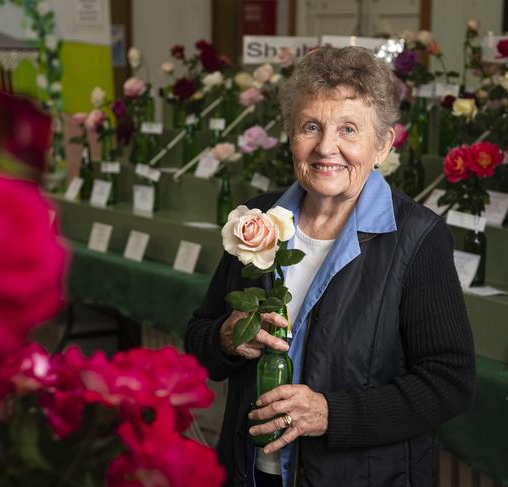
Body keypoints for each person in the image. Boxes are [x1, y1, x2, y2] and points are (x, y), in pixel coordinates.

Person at [184, 45, 475, 487]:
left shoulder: (419, 239)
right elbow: (198, 339)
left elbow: (448, 382)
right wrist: (225, 338)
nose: (326, 148)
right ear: (290, 135)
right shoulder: (254, 222)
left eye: (349, 130)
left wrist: (330, 414)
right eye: (311, 127)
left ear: (382, 145)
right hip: (250, 471)